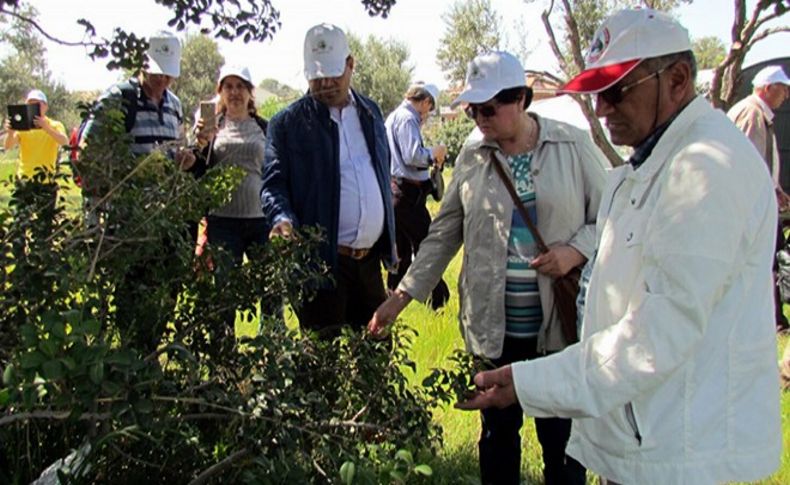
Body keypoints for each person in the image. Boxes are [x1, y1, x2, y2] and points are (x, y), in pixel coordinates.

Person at [457, 9, 782, 485]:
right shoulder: (649, 164)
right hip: (644, 437)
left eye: (614, 92)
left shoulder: (707, 168)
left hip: (677, 451)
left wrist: (530, 382)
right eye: (594, 94)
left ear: (677, 79)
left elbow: (659, 333)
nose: (602, 109)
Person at [369, 51, 609, 485]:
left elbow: (612, 216)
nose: (479, 117)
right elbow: (443, 234)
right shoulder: (473, 155)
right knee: (498, 438)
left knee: (562, 445)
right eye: (473, 108)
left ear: (521, 99)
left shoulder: (572, 146)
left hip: (556, 330)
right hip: (494, 331)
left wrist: (575, 250)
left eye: (489, 108)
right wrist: (399, 298)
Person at [261, 23, 396, 338]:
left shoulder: (371, 113)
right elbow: (273, 184)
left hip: (369, 265)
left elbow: (381, 171)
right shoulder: (287, 124)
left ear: (351, 64)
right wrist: (281, 218)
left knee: (374, 356)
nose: (324, 83)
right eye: (316, 75)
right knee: (322, 362)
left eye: (333, 73)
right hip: (321, 269)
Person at [82, 30, 196, 353]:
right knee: (130, 295)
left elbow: (170, 153)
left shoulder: (174, 105)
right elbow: (90, 154)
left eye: (168, 73)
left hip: (163, 219)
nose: (162, 80)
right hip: (126, 222)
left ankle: (147, 354)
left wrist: (181, 160)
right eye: (156, 71)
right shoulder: (118, 99)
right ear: (142, 65)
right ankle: (127, 358)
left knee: (163, 291)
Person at [192, 65, 270, 332]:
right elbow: (197, 169)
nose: (235, 92)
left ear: (250, 92)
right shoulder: (212, 126)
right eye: (229, 86)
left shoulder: (264, 127)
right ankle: (224, 362)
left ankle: (273, 355)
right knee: (224, 295)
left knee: (270, 290)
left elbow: (274, 171)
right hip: (222, 223)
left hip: (261, 221)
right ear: (221, 93)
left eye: (240, 86)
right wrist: (200, 143)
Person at [727, 65, 790, 333]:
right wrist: (763, 197)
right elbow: (745, 164)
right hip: (748, 208)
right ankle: (770, 320)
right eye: (783, 89)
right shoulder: (751, 113)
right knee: (761, 262)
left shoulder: (760, 114)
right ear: (767, 88)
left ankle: (773, 318)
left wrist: (775, 189)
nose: (785, 96)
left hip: (759, 202)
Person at [385, 82, 450, 310]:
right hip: (407, 195)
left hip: (398, 192)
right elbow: (413, 155)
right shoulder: (407, 117)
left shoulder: (396, 117)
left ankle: (389, 303)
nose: (428, 114)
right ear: (426, 101)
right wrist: (435, 153)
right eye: (429, 109)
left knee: (401, 254)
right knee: (428, 248)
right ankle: (439, 300)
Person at [3, 89, 68, 180]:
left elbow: (64, 142)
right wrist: (10, 133)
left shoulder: (55, 125)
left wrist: (46, 128)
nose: (34, 107)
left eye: (38, 104)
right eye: (30, 104)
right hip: (24, 178)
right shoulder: (23, 127)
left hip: (46, 179)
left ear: (45, 106)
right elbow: (8, 146)